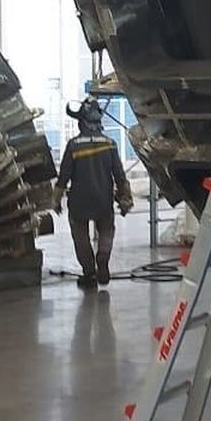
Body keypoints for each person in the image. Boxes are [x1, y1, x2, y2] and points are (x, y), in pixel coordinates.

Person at [55, 97, 134, 289]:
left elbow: (63, 177)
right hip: (103, 200)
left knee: (80, 236)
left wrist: (56, 199)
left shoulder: (74, 146)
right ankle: (103, 259)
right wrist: (125, 199)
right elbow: (120, 175)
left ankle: (89, 273)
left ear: (82, 122)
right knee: (106, 230)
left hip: (79, 201)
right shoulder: (110, 143)